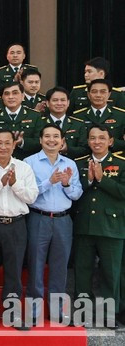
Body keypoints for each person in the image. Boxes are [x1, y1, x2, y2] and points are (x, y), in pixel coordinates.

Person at [0, 129, 38, 329]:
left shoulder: (24, 167)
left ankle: (13, 315)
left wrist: (15, 184)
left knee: (14, 272)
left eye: (7, 143)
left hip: (16, 225)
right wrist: (0, 184)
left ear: (14, 144)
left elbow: (32, 197)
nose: (3, 147)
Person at [23, 124, 82, 324]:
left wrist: (66, 183)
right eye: (47, 136)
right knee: (36, 265)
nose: (51, 140)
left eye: (56, 136)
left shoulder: (70, 164)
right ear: (40, 140)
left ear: (62, 141)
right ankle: (34, 312)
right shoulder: (29, 162)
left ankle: (57, 311)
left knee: (60, 268)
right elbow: (28, 195)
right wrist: (49, 181)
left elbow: (77, 194)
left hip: (63, 220)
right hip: (38, 218)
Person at [73, 125, 125, 329]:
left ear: (110, 141)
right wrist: (88, 180)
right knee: (82, 272)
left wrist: (102, 179)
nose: (97, 142)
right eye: (93, 138)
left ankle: (109, 315)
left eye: (102, 138)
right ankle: (83, 313)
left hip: (111, 226)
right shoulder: (79, 163)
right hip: (84, 225)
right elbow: (73, 191)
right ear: (88, 141)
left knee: (111, 274)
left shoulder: (121, 163)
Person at [0, 82, 44, 159]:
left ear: (23, 96)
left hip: (26, 160)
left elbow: (40, 141)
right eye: (7, 94)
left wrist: (22, 142)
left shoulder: (34, 116)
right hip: (0, 160)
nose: (10, 97)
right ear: (2, 97)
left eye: (15, 93)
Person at [75, 78, 125, 152]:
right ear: (88, 94)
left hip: (113, 157)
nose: (98, 95)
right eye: (94, 92)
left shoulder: (121, 115)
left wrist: (111, 142)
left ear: (109, 94)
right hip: (85, 156)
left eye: (102, 92)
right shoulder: (78, 116)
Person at [42, 86, 88, 159]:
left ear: (68, 103)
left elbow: (84, 149)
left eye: (63, 100)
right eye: (55, 100)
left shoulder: (78, 124)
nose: (59, 103)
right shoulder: (40, 123)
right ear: (47, 103)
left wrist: (67, 149)